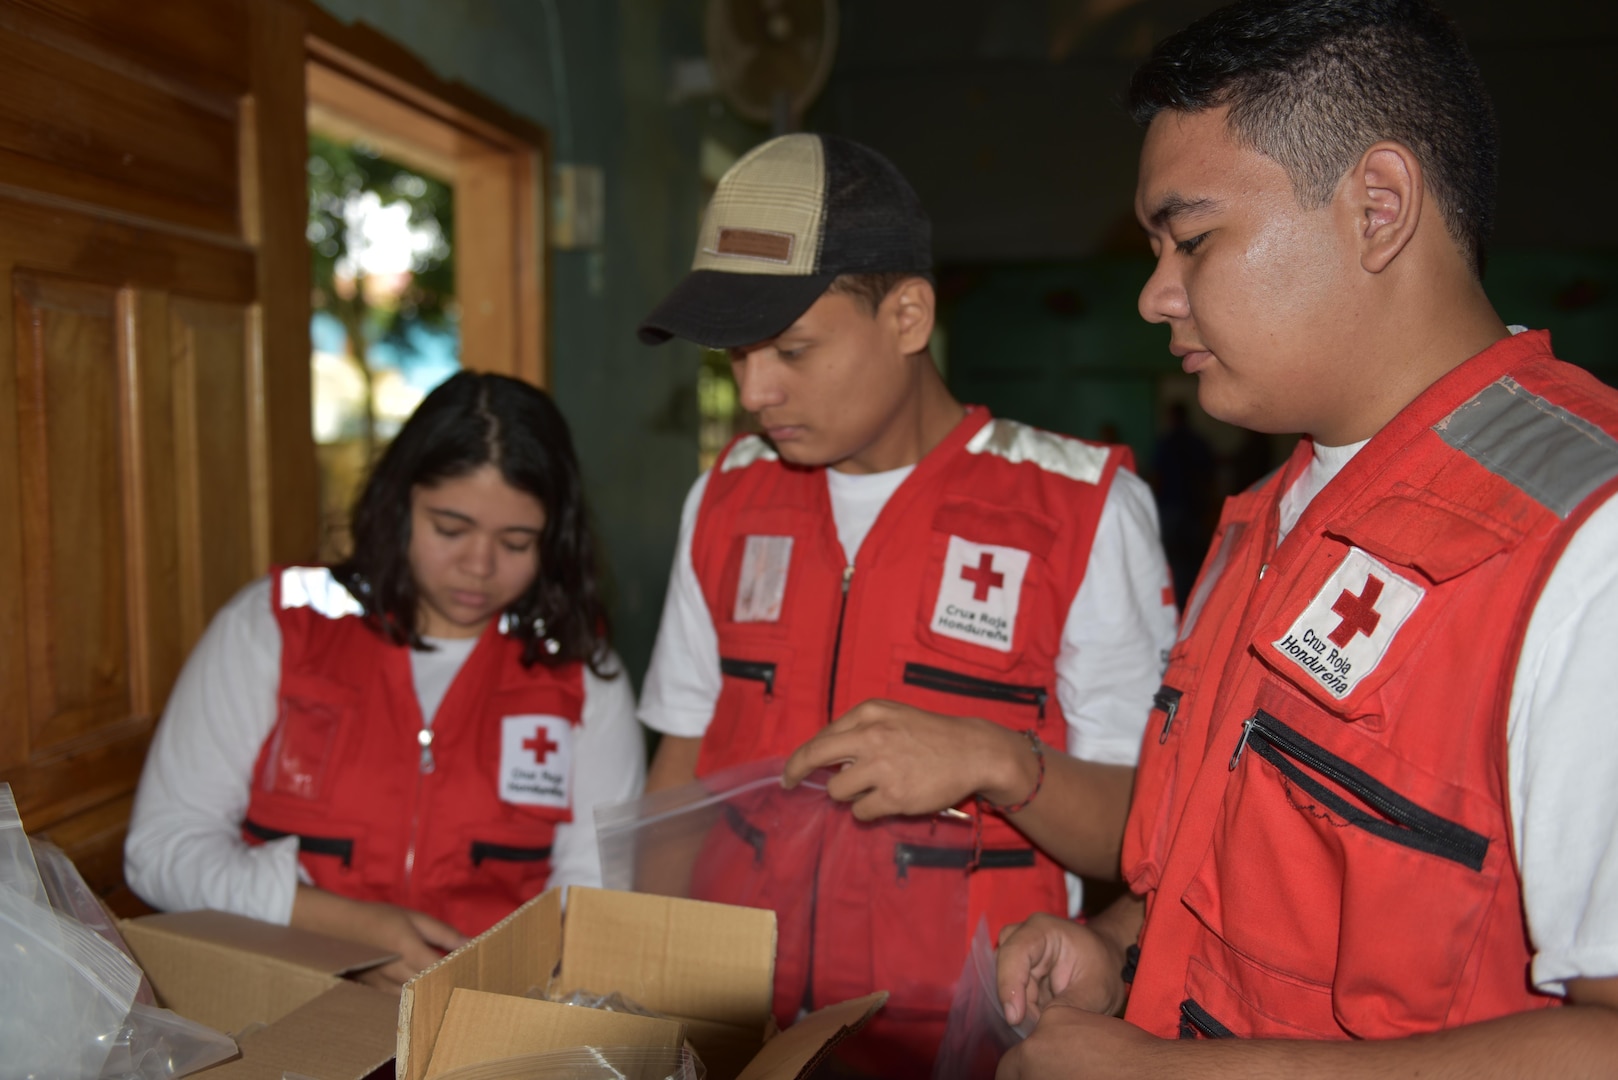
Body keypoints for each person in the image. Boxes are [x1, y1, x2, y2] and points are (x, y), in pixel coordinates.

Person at [995, 0, 1618, 1075]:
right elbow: (1239, 879)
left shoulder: (1585, 547)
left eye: (1191, 239)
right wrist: (1115, 952)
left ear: (1377, 207)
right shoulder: (1269, 521)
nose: (1154, 294)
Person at [636, 132, 1177, 1074]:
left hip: (956, 1043)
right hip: (738, 1034)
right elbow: (682, 764)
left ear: (908, 315)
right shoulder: (726, 499)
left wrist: (995, 759)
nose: (755, 389)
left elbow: (1143, 831)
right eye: (736, 356)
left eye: (793, 348)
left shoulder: (1080, 511)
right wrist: (645, 995)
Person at [125, 372, 645, 991]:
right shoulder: (273, 624)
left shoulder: (580, 674)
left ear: (553, 541)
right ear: (399, 506)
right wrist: (346, 927)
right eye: (450, 529)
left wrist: (486, 983)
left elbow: (593, 895)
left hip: (484, 1009)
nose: (478, 567)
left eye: (516, 542)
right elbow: (160, 850)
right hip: (280, 999)